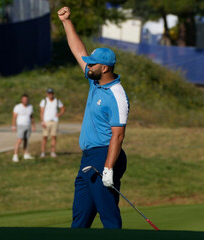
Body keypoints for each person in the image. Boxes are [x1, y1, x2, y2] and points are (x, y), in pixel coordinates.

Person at [58, 6, 129, 229]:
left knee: (108, 216)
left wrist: (108, 168)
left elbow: (118, 137)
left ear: (105, 68)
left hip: (104, 156)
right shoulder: (95, 80)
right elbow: (77, 49)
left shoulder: (117, 96)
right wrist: (66, 22)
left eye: (93, 63)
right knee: (80, 217)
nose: (88, 65)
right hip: (88, 158)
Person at [39, 88, 65, 158]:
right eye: (49, 93)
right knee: (45, 137)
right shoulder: (44, 101)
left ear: (53, 93)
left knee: (54, 136)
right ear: (47, 94)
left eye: (51, 93)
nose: (50, 95)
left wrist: (59, 114)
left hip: (54, 121)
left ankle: (53, 152)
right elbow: (41, 112)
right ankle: (43, 152)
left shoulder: (57, 101)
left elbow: (62, 108)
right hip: (46, 121)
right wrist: (42, 122)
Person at [12, 94, 36, 162]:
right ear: (22, 100)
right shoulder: (17, 107)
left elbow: (32, 117)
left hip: (28, 125)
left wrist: (33, 125)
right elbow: (14, 117)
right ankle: (15, 155)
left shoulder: (30, 106)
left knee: (26, 140)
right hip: (20, 125)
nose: (25, 101)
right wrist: (13, 126)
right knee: (19, 140)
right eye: (24, 99)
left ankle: (25, 154)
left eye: (26, 99)